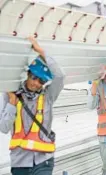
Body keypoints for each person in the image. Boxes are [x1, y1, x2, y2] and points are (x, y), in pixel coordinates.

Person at [0, 37, 65, 175]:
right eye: (34, 77)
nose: (36, 83)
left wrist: (41, 51)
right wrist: (12, 103)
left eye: (41, 81)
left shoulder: (48, 97)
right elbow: (4, 127)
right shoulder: (9, 94)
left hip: (44, 161)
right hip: (20, 163)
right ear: (28, 74)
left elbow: (60, 76)